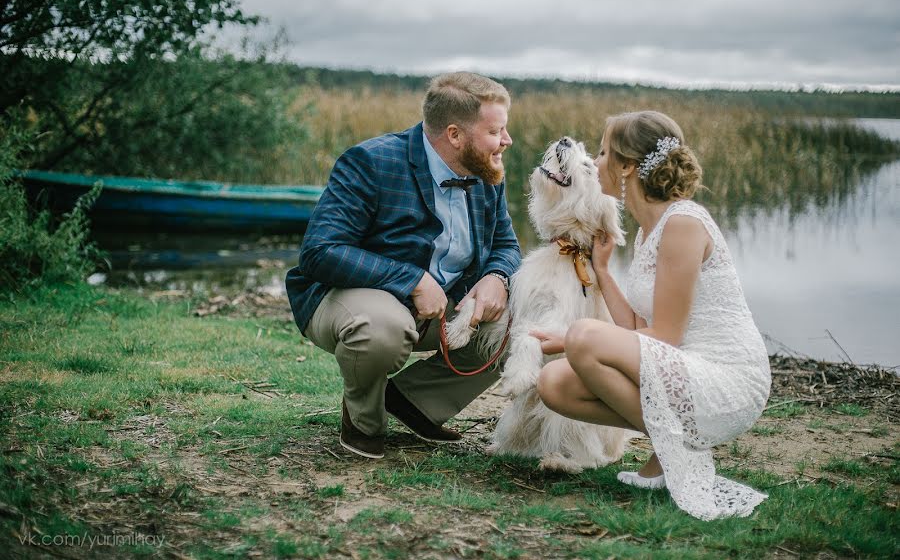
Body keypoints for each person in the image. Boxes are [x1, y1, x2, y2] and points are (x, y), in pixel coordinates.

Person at [533, 110, 772, 520]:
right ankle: (673, 446)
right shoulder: (650, 231)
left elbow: (665, 338)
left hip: (726, 379)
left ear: (628, 166)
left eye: (605, 153)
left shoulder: (682, 224)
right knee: (553, 383)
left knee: (585, 337)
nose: (598, 163)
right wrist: (603, 271)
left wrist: (582, 338)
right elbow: (640, 332)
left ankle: (673, 452)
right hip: (680, 368)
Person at [285, 72, 521, 460]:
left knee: (522, 326)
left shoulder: (486, 173)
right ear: (455, 135)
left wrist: (497, 277)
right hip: (350, 301)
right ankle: (364, 419)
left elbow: (506, 245)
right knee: (382, 329)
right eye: (496, 131)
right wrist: (411, 279)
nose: (506, 142)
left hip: (441, 310)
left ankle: (415, 403)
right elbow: (320, 250)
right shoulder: (371, 161)